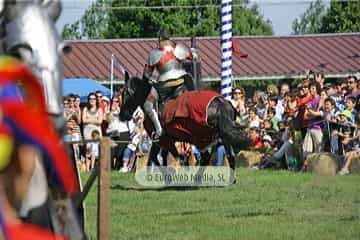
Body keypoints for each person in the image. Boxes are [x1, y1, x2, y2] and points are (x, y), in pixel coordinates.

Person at [142, 29, 196, 140]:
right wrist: (192, 51)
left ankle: (159, 129)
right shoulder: (179, 48)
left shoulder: (155, 53)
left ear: (160, 38)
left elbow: (147, 74)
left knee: (147, 105)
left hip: (164, 85)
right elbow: (194, 57)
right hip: (181, 81)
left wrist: (150, 79)